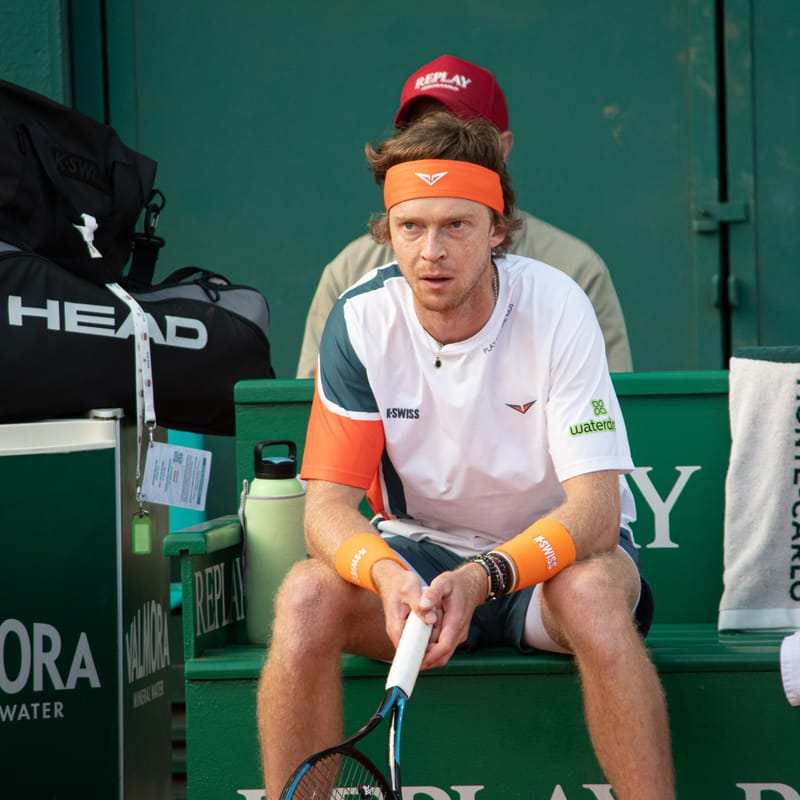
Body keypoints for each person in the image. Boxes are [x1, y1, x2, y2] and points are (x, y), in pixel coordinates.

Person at [258, 111, 674, 799]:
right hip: (418, 567)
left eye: (457, 225)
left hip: (548, 565)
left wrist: (483, 577)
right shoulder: (360, 321)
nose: (432, 252)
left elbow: (597, 513)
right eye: (411, 227)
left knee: (598, 597)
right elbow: (326, 510)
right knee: (305, 597)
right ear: (387, 231)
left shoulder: (558, 305)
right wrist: (389, 576)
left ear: (498, 230)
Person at [296, 53, 633, 379]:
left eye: (461, 132)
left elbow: (609, 409)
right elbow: (313, 409)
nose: (440, 146)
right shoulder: (351, 274)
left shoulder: (573, 269)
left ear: (503, 147)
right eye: (422, 130)